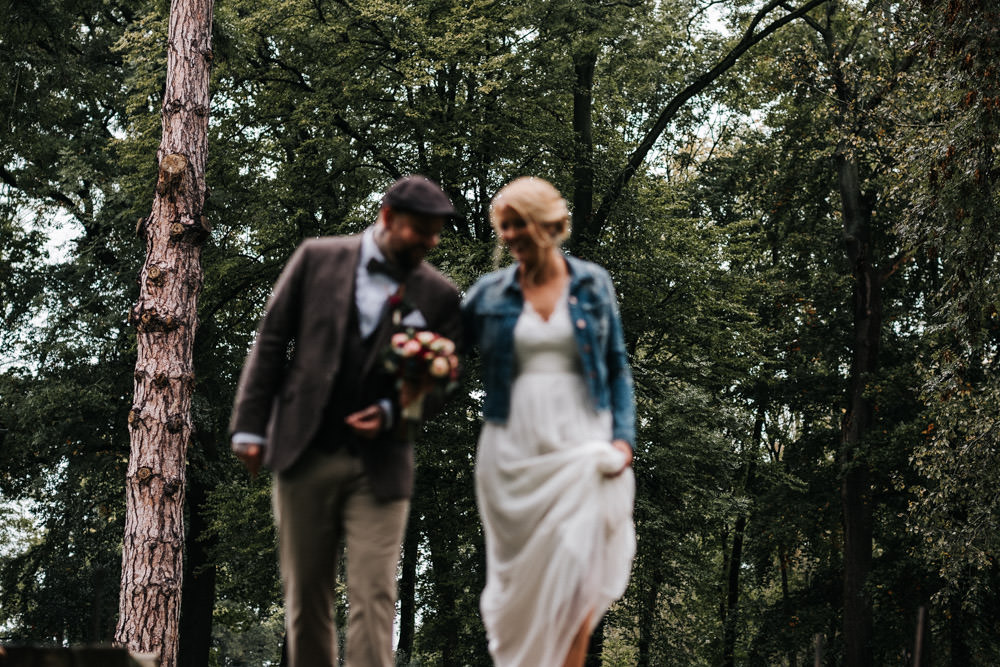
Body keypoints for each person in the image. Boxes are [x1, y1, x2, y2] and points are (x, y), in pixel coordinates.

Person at [228, 175, 462, 667]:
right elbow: (271, 341)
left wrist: (393, 412)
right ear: (388, 218)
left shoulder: (439, 295)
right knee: (306, 597)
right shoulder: (316, 258)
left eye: (437, 232)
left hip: (382, 463)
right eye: (422, 230)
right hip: (303, 450)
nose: (431, 242)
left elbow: (442, 385)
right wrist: (249, 428)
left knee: (376, 596)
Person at [462, 177, 636, 667]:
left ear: (548, 224)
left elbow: (617, 365)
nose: (512, 235)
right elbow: (441, 353)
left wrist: (624, 439)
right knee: (518, 595)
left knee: (580, 581)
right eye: (506, 226)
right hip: (512, 449)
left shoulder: (591, 283)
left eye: (521, 224)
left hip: (584, 443)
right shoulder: (489, 294)